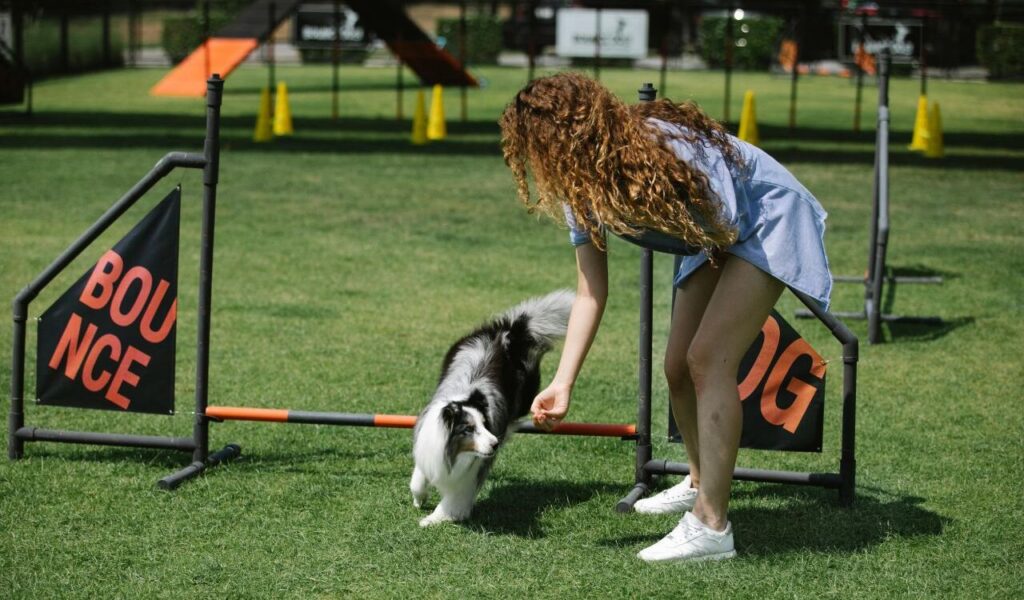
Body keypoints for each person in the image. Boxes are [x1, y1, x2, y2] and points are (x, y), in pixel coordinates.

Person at [498, 73, 831, 563]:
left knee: (707, 358)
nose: (537, 161)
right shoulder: (579, 187)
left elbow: (729, 215)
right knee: (678, 365)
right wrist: (564, 383)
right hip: (715, 236)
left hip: (764, 218)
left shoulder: (664, 145)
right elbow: (591, 292)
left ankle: (712, 526)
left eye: (539, 146)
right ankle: (699, 482)